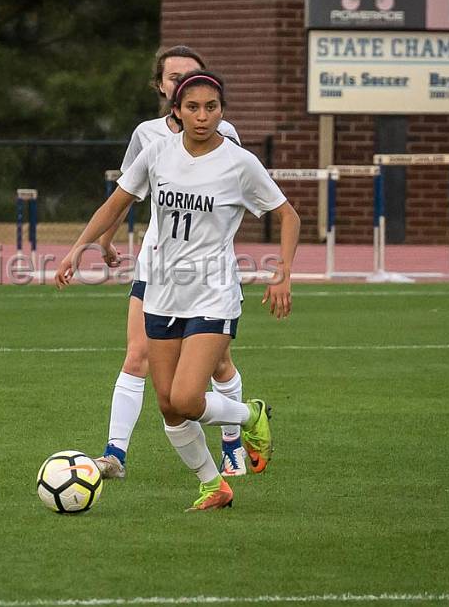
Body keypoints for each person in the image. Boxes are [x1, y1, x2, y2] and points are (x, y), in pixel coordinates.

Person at [56, 70, 300, 511]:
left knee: (188, 398)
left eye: (212, 107)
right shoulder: (157, 153)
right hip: (163, 293)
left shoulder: (239, 162)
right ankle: (214, 485)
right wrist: (79, 247)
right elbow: (115, 204)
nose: (203, 116)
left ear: (222, 112)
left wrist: (282, 273)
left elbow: (288, 215)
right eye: (193, 108)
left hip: (213, 292)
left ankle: (250, 415)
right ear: (176, 111)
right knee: (169, 408)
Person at [92, 46, 248, 480]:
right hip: (155, 266)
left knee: (216, 366)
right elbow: (125, 193)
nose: (182, 83)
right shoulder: (146, 135)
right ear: (162, 88)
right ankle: (115, 454)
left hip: (205, 274)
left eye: (192, 76)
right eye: (174, 77)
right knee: (136, 353)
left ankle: (234, 440)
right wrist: (104, 240)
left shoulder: (223, 133)